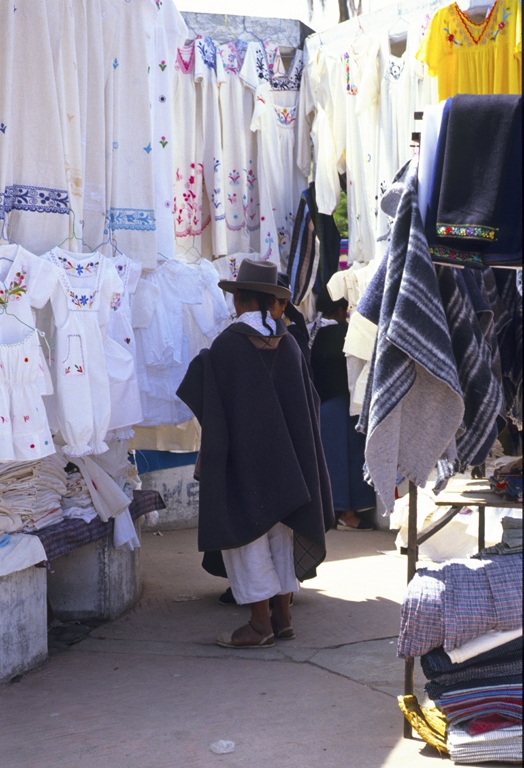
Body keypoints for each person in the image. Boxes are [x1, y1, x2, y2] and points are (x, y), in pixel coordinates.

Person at [177, 259, 334, 648]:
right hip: (289, 465)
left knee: (247, 538)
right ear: (274, 304)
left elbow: (209, 399)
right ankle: (283, 618)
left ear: (239, 302)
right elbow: (308, 405)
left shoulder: (227, 346)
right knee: (282, 534)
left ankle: (259, 625)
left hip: (244, 463)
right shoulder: (291, 345)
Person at [310, 288, 376, 531]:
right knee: (347, 459)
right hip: (342, 406)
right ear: (341, 310)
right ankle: (347, 514)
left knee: (329, 461)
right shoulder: (344, 333)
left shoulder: (313, 332)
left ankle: (333, 513)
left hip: (321, 405)